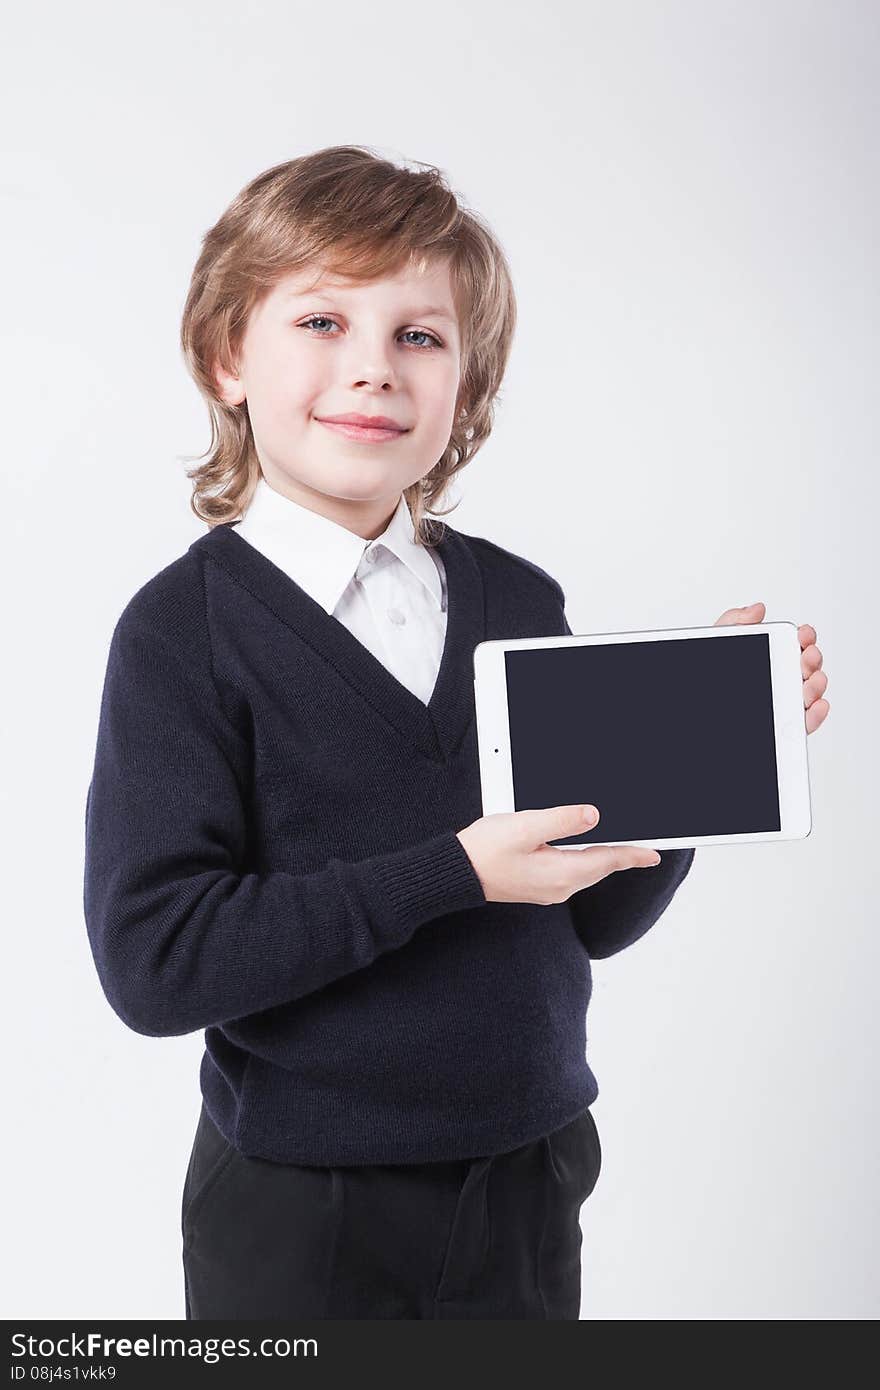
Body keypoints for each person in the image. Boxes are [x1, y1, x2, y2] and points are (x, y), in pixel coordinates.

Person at [83, 144, 698, 1320]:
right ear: (227, 359)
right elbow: (157, 962)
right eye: (321, 320)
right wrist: (453, 870)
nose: (372, 369)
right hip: (306, 1202)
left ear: (464, 390)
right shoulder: (181, 633)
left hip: (532, 1163)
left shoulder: (520, 599)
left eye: (419, 336)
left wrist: (696, 744)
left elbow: (593, 912)